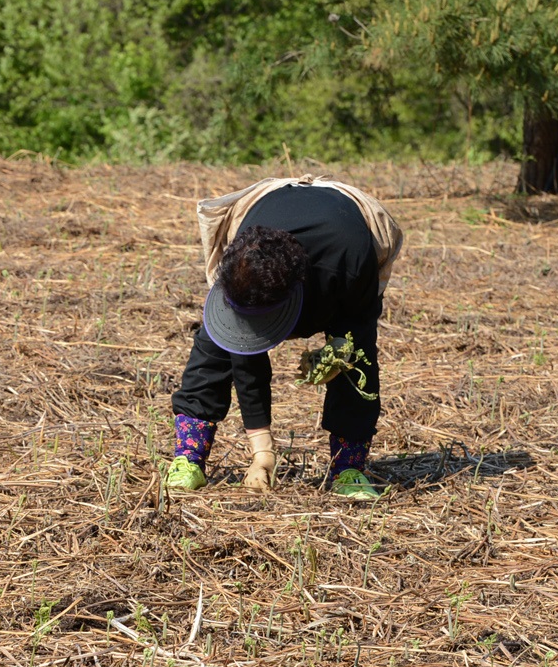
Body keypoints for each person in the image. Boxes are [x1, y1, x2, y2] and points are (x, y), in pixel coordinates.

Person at [166, 178, 402, 501]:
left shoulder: (350, 262)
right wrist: (262, 450)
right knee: (214, 345)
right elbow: (244, 354)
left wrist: (338, 351)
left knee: (356, 359)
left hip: (340, 253)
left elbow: (358, 336)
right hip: (269, 220)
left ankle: (349, 468)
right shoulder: (242, 258)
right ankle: (188, 457)